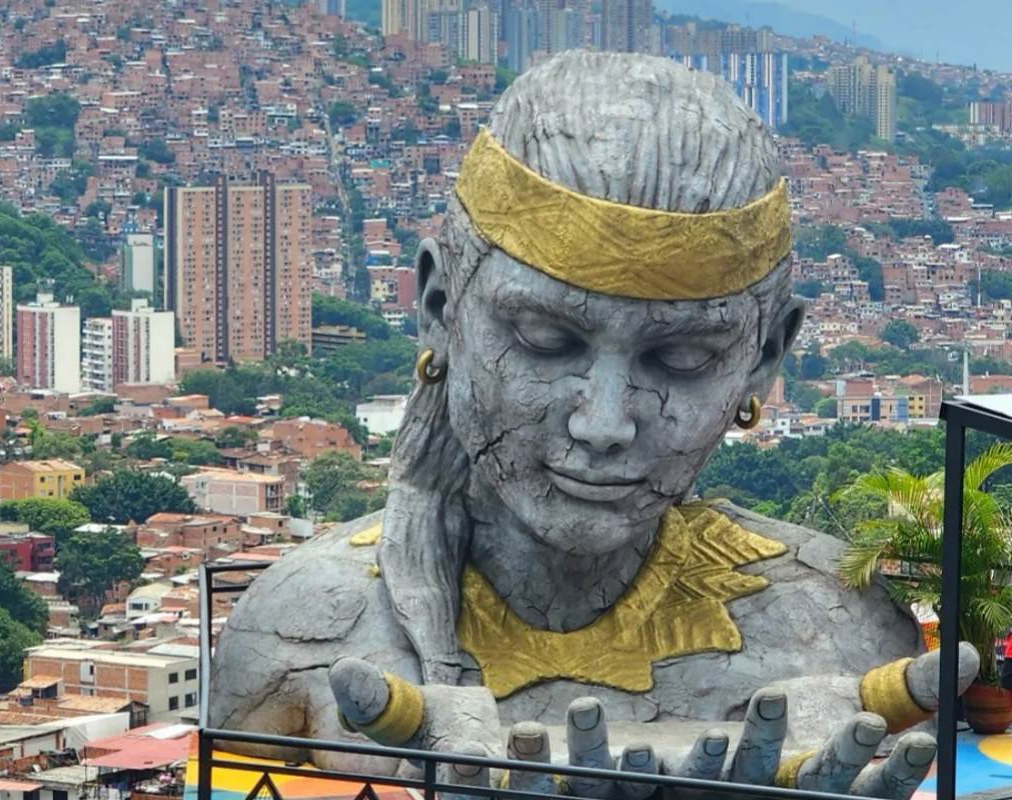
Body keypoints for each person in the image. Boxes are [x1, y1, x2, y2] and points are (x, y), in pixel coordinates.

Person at [208, 52, 977, 799]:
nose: (604, 422)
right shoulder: (295, 632)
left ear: (765, 356)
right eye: (547, 342)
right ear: (441, 308)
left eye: (680, 359)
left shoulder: (848, 631)